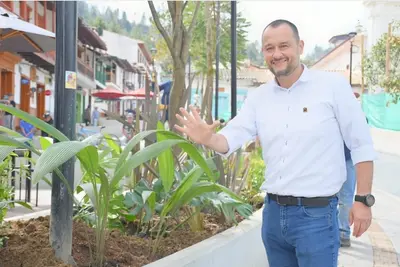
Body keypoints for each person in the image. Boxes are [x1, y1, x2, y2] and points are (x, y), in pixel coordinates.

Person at [174, 19, 376, 267]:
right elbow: (230, 138)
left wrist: (363, 199)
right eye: (270, 48)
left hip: (316, 217)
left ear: (300, 46)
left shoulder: (332, 87)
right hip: (272, 217)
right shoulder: (258, 97)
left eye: (284, 46)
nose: (277, 54)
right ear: (263, 52)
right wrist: (208, 139)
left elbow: (361, 145)